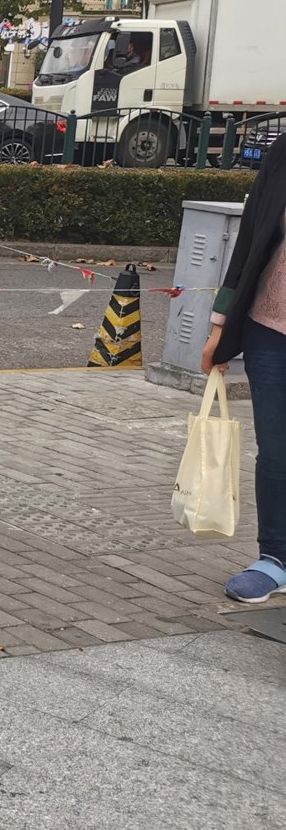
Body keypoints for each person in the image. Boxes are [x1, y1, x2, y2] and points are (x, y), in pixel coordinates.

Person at [202, 135, 286, 603]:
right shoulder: (284, 151)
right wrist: (220, 325)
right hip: (270, 328)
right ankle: (275, 558)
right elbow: (251, 240)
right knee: (276, 451)